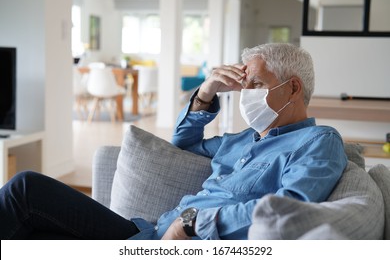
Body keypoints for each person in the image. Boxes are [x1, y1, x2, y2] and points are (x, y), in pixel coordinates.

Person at [0, 43, 347, 240]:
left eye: (255, 85)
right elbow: (181, 143)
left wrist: (193, 221)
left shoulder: (318, 141)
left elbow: (289, 209)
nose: (245, 96)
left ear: (294, 88)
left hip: (178, 244)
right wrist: (206, 92)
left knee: (24, 191)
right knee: (29, 220)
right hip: (146, 233)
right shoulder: (243, 139)